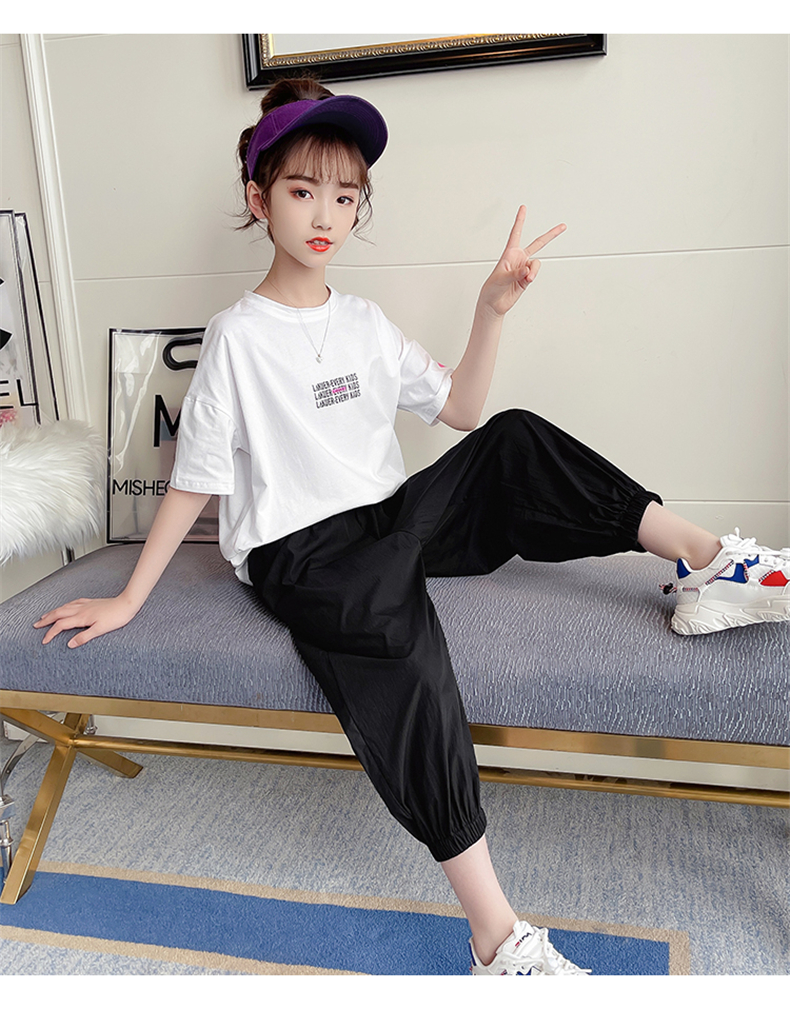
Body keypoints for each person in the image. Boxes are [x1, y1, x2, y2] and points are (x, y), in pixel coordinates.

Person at [34, 77, 790, 976]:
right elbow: (197, 479)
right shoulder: (237, 336)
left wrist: (490, 309)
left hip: (390, 520)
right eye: (302, 190)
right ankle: (497, 941)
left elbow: (464, 412)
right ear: (260, 200)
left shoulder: (365, 323)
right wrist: (129, 597)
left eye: (345, 195)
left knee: (515, 438)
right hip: (301, 552)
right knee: (394, 625)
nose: (325, 214)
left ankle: (709, 568)